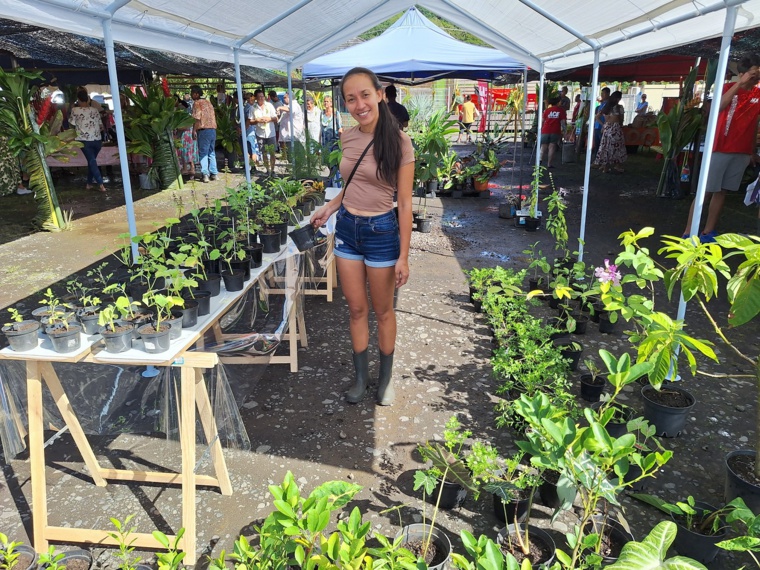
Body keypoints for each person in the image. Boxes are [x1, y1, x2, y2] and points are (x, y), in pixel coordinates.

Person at [310, 67, 415, 406]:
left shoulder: (399, 142)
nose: (359, 104)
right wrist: (330, 208)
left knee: (383, 310)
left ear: (380, 94)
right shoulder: (348, 136)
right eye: (351, 99)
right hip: (348, 230)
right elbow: (352, 184)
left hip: (381, 231)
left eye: (365, 95)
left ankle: (385, 379)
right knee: (356, 309)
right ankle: (360, 377)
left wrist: (404, 256)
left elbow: (404, 203)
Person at [683, 55, 760, 242]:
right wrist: (738, 84)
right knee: (706, 191)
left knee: (722, 191)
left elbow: (755, 123)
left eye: (759, 73)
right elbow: (717, 107)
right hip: (720, 148)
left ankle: (708, 232)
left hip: (741, 152)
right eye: (753, 73)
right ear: (741, 74)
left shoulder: (758, 95)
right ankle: (688, 232)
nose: (756, 77)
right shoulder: (727, 89)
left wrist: (751, 151)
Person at [69, 88, 106, 192]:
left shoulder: (75, 110)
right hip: (97, 140)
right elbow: (101, 126)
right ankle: (89, 184)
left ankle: (100, 183)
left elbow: (71, 124)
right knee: (92, 161)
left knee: (92, 161)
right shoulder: (94, 110)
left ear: (78, 100)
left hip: (84, 140)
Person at [190, 85, 218, 183]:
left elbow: (197, 118)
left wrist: (194, 130)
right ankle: (214, 173)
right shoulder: (208, 103)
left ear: (197, 94)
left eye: (192, 93)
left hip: (204, 130)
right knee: (211, 152)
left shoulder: (197, 103)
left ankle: (205, 174)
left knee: (203, 153)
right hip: (213, 130)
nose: (191, 95)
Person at [593, 90, 627, 173]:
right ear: (618, 98)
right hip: (615, 128)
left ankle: (605, 166)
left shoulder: (606, 107)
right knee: (617, 147)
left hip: (607, 127)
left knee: (606, 147)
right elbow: (621, 119)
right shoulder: (619, 108)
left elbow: (596, 117)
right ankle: (617, 165)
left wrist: (603, 125)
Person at [251, 89, 278, 177]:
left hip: (271, 133)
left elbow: (276, 118)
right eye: (259, 97)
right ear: (256, 98)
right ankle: (267, 170)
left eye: (263, 96)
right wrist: (257, 120)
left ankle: (273, 170)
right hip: (260, 133)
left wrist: (268, 119)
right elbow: (250, 121)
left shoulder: (269, 105)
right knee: (264, 153)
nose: (262, 98)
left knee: (272, 152)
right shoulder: (253, 108)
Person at [540, 96, 566, 169]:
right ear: (558, 102)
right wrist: (565, 131)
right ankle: (549, 164)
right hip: (555, 130)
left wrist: (540, 129)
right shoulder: (561, 111)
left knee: (543, 146)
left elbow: (542, 121)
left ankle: (540, 160)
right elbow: (563, 122)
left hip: (545, 130)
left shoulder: (547, 110)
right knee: (552, 146)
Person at [176, 99, 197, 178]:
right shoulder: (186, 115)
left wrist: (177, 127)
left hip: (186, 135)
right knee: (185, 152)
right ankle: (186, 168)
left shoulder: (187, 116)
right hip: (187, 135)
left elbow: (186, 126)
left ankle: (192, 168)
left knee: (187, 152)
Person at [243, 92, 260, 172]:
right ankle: (253, 167)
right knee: (253, 150)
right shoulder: (251, 108)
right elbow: (249, 121)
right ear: (249, 99)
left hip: (246, 131)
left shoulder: (245, 107)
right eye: (252, 98)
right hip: (250, 131)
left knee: (247, 150)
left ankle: (248, 166)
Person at [592, 87, 611, 158]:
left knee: (602, 145)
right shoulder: (601, 104)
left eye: (604, 93)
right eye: (601, 93)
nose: (602, 95)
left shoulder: (608, 104)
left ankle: (601, 160)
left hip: (603, 126)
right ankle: (597, 160)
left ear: (608, 94)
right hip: (597, 126)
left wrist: (604, 125)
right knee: (597, 145)